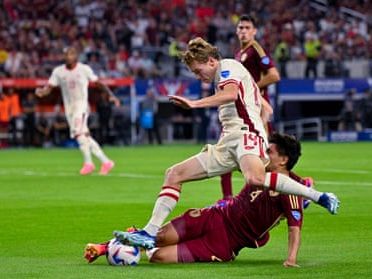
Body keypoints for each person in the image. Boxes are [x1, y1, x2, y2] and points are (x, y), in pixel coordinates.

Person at [113, 37, 340, 249]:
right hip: (227, 143)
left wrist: (194, 104)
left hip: (246, 136)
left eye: (198, 70)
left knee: (255, 179)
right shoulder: (221, 75)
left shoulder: (228, 66)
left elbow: (231, 95)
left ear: (211, 61)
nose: (197, 76)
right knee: (174, 174)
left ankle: (317, 195)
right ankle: (149, 233)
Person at [85, 133, 326, 267]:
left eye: (270, 152)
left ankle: (126, 251)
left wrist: (291, 259)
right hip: (214, 216)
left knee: (157, 257)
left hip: (224, 243)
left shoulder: (291, 190)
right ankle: (106, 246)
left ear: (283, 160)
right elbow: (229, 163)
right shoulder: (258, 168)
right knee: (155, 234)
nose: (264, 154)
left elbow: (295, 228)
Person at [220, 14, 281, 201]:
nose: (243, 31)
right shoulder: (240, 54)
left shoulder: (255, 49)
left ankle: (301, 186)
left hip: (257, 112)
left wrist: (252, 88)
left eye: (247, 28)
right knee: (227, 150)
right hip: (246, 111)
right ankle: (228, 199)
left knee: (265, 159)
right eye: (240, 28)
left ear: (254, 31)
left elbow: (274, 76)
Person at [35, 47, 120, 175]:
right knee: (84, 135)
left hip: (82, 107)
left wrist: (111, 95)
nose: (68, 57)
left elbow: (98, 84)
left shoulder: (84, 69)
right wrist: (42, 91)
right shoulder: (58, 71)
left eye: (71, 54)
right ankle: (106, 162)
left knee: (79, 134)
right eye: (66, 54)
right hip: (69, 109)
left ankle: (88, 163)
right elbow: (50, 87)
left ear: (76, 56)